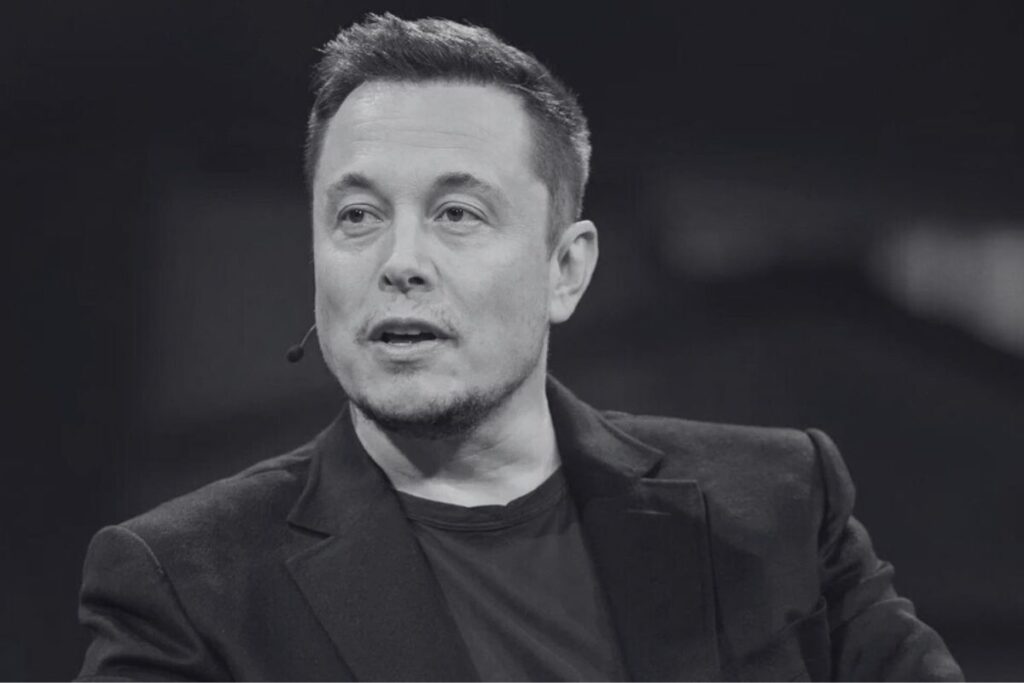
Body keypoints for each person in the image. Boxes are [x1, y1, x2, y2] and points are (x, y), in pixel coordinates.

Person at [76, 14, 963, 682]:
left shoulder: (779, 502)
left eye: (458, 213)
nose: (400, 261)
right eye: (357, 216)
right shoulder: (185, 585)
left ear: (565, 269)